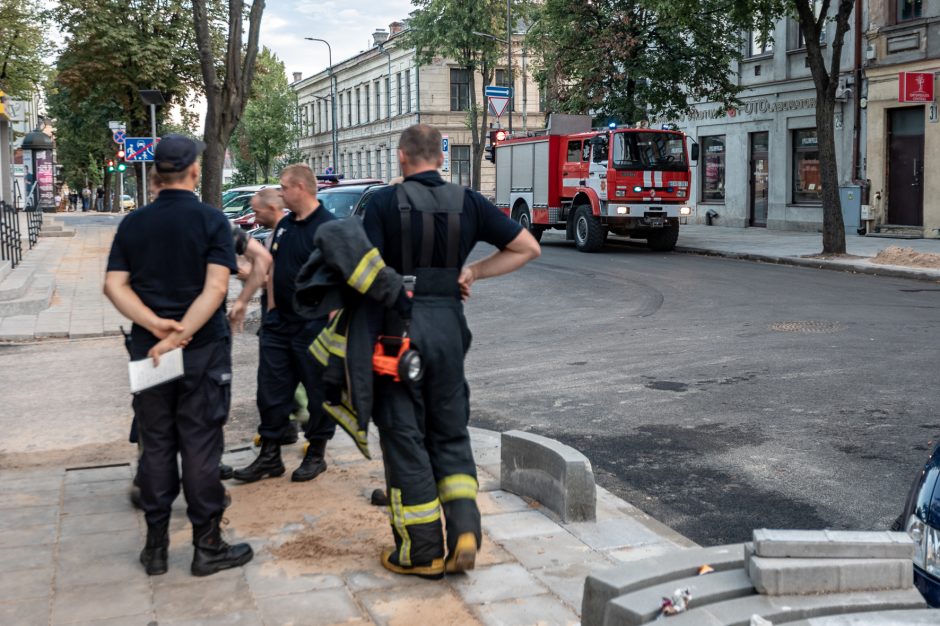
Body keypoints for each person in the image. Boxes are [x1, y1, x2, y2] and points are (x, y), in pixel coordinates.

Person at [361, 123, 540, 579]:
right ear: (441, 158)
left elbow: (365, 276)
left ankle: (420, 552)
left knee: (404, 435)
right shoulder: (470, 201)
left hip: (399, 332)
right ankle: (464, 530)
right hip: (449, 328)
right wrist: (473, 272)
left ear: (401, 158)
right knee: (450, 430)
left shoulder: (383, 203)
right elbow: (527, 247)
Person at [103, 134, 253, 578]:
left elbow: (114, 285)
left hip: (149, 351)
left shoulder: (133, 224)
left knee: (156, 442)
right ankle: (207, 546)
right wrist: (182, 333)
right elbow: (216, 288)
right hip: (202, 349)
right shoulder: (210, 221)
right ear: (192, 173)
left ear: (154, 176)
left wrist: (155, 328)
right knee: (201, 444)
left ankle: (156, 548)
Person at [232, 164, 337, 483]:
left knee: (318, 394)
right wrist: (271, 313)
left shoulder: (329, 228)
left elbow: (341, 280)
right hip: (279, 325)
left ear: (301, 189)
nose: (280, 193)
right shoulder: (285, 225)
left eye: (284, 188)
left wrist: (332, 327)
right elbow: (272, 269)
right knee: (271, 391)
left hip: (313, 326)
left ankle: (316, 453)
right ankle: (270, 457)